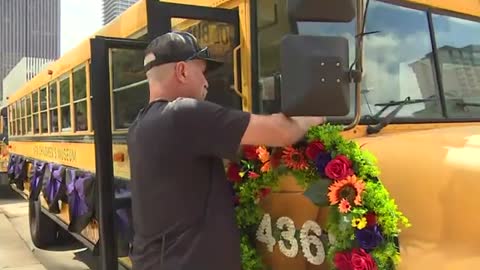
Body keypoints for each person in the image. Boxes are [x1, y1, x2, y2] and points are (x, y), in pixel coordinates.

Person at [127, 31, 325, 270]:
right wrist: (315, 116)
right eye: (202, 71)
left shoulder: (140, 125)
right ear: (182, 71)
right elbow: (282, 132)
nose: (206, 82)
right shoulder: (184, 114)